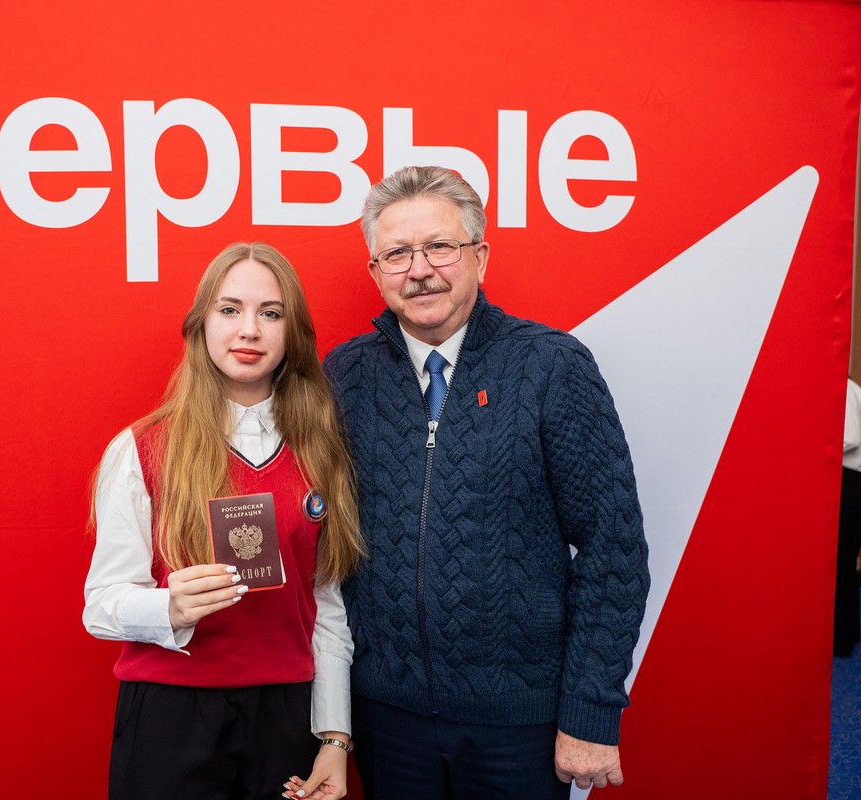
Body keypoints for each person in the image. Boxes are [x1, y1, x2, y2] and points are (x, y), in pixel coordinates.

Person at [322, 166, 650, 799]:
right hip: (387, 720)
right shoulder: (346, 376)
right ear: (376, 272)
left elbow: (612, 549)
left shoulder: (551, 367)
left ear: (480, 256)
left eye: (440, 246)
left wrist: (590, 711)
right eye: (397, 254)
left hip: (519, 724)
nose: (420, 270)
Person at [83, 242, 366, 800]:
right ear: (201, 325)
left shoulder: (322, 451)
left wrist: (335, 736)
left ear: (292, 332)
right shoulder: (141, 448)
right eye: (230, 309)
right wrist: (168, 606)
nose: (249, 331)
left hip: (287, 713)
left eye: (271, 313)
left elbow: (327, 605)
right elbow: (100, 606)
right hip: (172, 713)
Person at [836, 377, 861, 657]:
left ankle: (840, 640)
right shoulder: (849, 389)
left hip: (849, 481)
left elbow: (849, 439)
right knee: (844, 561)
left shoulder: (842, 390)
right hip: (852, 481)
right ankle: (848, 632)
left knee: (840, 561)